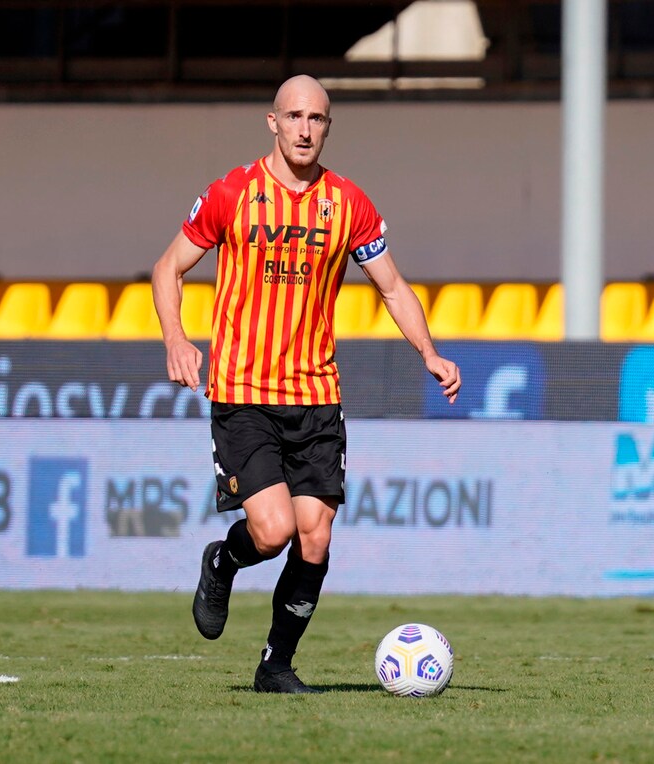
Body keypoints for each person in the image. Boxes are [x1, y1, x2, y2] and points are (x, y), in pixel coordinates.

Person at [152, 75, 461, 694]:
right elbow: (168, 268)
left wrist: (428, 351)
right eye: (293, 116)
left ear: (327, 127)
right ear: (273, 122)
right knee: (273, 532)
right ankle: (223, 560)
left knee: (315, 535)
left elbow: (392, 286)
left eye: (316, 119)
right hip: (243, 392)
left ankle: (276, 666)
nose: (304, 129)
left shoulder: (348, 203)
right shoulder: (232, 193)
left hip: (317, 395)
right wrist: (176, 339)